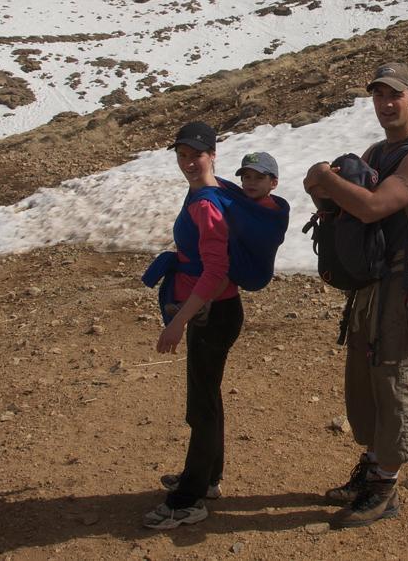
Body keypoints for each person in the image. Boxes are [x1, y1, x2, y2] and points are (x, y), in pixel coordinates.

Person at [303, 62, 408, 528]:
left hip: (402, 289)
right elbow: (344, 206)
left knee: (392, 380)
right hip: (373, 287)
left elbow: (371, 208)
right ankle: (372, 469)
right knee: (365, 380)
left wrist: (326, 179)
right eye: (379, 97)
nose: (386, 105)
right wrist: (322, 190)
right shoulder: (376, 151)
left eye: (395, 96)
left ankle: (385, 488)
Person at [142, 121, 244, 530]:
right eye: (182, 155)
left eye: (195, 154)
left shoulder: (206, 203)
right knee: (207, 397)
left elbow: (217, 269)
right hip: (216, 310)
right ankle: (207, 479)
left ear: (212, 153)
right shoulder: (211, 189)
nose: (187, 162)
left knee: (200, 406)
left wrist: (178, 322)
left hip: (211, 312)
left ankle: (188, 501)